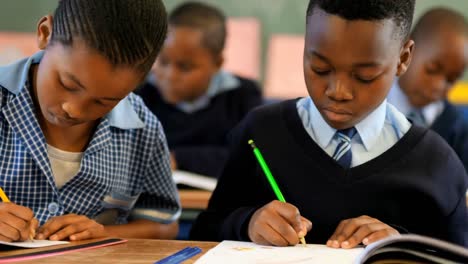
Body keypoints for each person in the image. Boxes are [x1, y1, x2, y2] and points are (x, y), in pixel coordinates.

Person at [190, 0, 468, 248]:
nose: (338, 91)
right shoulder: (261, 132)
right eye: (320, 68)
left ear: (403, 59)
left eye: (365, 76)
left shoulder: (437, 164)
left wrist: (401, 247)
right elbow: (203, 232)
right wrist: (247, 223)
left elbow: (456, 254)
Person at [0, 0, 180, 242]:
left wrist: (105, 233)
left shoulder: (142, 129)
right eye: (67, 84)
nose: (73, 110)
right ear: (45, 34)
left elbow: (164, 224)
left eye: (103, 101)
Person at [135, 1, 262, 178]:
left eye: (185, 67)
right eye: (163, 62)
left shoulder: (241, 95)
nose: (170, 76)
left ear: (217, 64)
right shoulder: (140, 92)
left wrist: (177, 158)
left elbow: (251, 156)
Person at [388, 7, 468, 170]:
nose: (439, 86)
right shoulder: (371, 105)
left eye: (451, 80)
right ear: (406, 52)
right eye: (432, 70)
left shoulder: (458, 129)